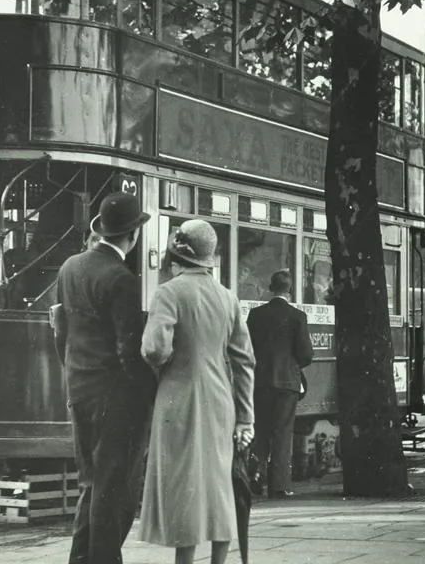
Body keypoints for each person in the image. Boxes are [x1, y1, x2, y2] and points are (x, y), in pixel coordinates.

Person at [137, 219, 256, 564]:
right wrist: (245, 419)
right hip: (220, 402)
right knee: (218, 487)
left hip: (178, 399)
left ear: (177, 256)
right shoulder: (227, 297)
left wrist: (168, 361)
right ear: (209, 258)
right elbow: (245, 361)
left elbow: (153, 349)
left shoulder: (169, 292)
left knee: (183, 489)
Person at [51, 192, 156, 564]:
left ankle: (81, 560)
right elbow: (130, 353)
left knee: (91, 484)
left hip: (78, 390)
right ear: (133, 235)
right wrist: (150, 393)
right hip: (114, 397)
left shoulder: (69, 268)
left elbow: (60, 331)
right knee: (113, 490)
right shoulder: (121, 279)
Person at [245, 269, 312, 499]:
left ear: (270, 288)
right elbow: (306, 354)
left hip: (260, 381)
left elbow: (247, 349)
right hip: (286, 383)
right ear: (290, 291)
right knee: (283, 433)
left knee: (260, 430)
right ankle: (279, 486)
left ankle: (254, 477)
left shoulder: (255, 315)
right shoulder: (297, 316)